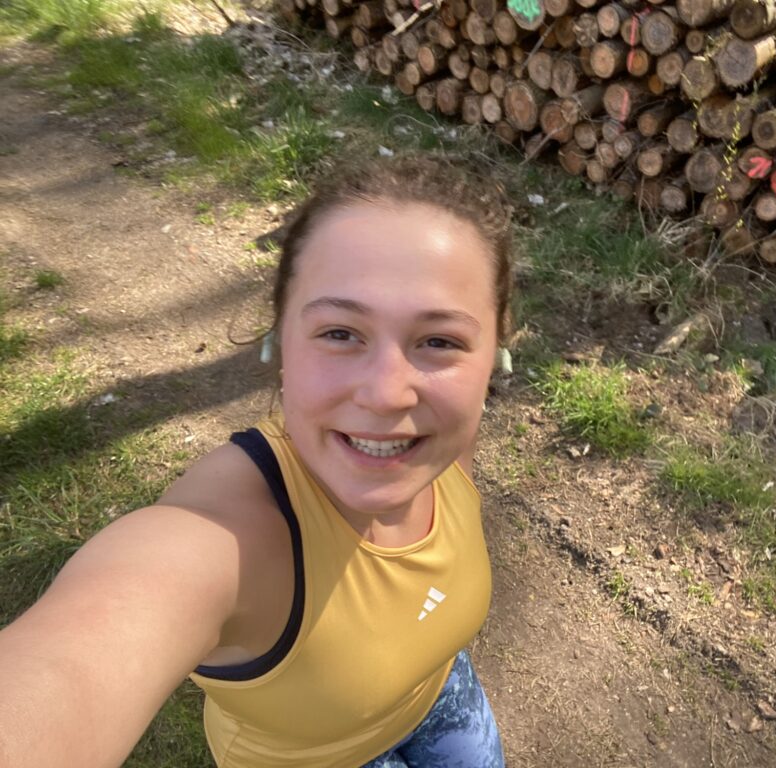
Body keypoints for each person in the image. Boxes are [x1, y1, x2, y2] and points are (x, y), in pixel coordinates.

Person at [0, 155, 513, 768]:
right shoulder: (221, 539)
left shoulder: (444, 443)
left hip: (441, 692)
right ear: (280, 342)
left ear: (493, 357)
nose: (386, 394)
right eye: (340, 332)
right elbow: (70, 667)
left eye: (439, 341)